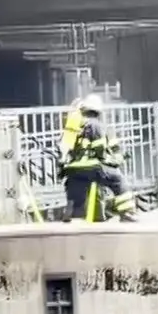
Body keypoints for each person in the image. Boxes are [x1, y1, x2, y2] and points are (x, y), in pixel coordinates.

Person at [57, 94, 137, 222]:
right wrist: (110, 161)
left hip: (73, 171)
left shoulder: (74, 126)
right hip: (92, 167)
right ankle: (127, 213)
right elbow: (99, 148)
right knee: (118, 180)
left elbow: (63, 147)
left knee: (76, 193)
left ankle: (72, 215)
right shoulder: (96, 125)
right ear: (98, 111)